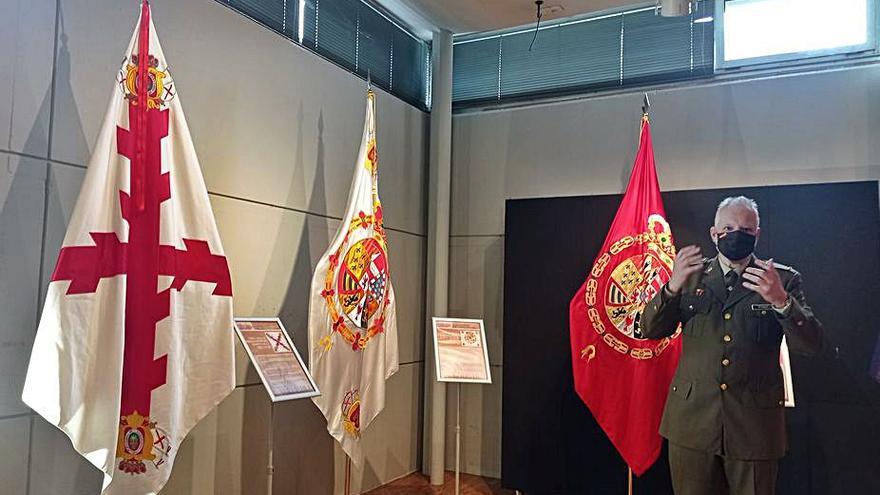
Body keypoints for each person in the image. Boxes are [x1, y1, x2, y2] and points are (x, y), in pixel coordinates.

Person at [641, 196, 824, 495]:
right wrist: (671, 287)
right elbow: (650, 329)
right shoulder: (690, 277)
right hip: (692, 423)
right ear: (714, 234)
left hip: (754, 426)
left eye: (746, 229)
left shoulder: (782, 280)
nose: (736, 234)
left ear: (758, 235)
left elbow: (812, 344)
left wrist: (781, 301)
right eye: (728, 228)